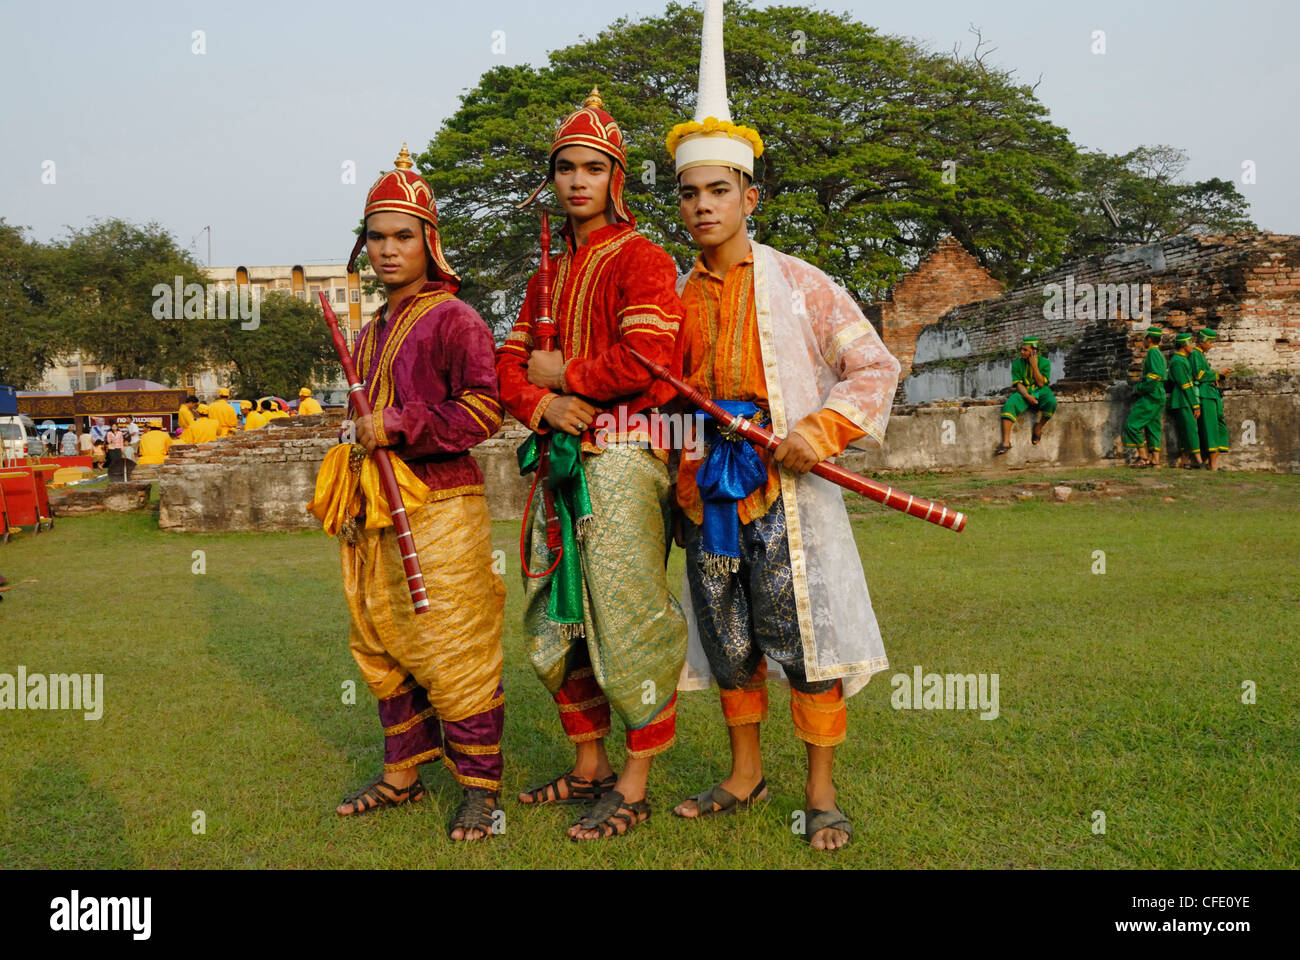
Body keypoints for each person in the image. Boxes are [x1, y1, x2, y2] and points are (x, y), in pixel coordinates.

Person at [665, 0, 899, 852]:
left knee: (807, 642)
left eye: (717, 190)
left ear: (748, 195)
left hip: (786, 487)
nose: (701, 205)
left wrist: (820, 431)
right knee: (727, 640)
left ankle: (822, 791)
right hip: (703, 491)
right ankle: (742, 772)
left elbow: (874, 365)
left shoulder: (803, 283)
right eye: (688, 193)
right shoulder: (669, 295)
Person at [495, 88, 687, 840]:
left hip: (623, 460)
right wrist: (542, 408)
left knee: (626, 614)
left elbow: (651, 358)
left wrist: (564, 377)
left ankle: (633, 785)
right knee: (553, 618)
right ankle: (589, 766)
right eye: (566, 169)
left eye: (592, 169)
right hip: (556, 466)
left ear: (617, 179)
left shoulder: (641, 258)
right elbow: (508, 367)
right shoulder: (546, 276)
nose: (578, 181)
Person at [307, 144, 507, 842]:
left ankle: (480, 790)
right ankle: (402, 776)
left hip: (442, 508)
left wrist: (399, 424)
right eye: (377, 237)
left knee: (451, 645)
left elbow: (486, 410)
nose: (388, 250)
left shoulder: (455, 320)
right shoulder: (368, 332)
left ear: (430, 242)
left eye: (403, 236)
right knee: (380, 641)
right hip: (374, 513)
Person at [995, 336, 1057, 455]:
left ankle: (1038, 428)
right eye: (1021, 349)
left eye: (1025, 350)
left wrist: (1034, 365)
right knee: (1009, 405)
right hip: (1024, 391)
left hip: (1041, 390)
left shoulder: (1045, 362)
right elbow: (1018, 384)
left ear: (1034, 351)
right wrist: (1027, 396)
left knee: (1051, 402)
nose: (1021, 352)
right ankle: (1006, 442)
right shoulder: (1017, 363)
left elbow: (1040, 383)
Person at [1122, 326, 1167, 468]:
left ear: (1148, 339)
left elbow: (1153, 377)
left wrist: (1139, 389)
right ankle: (1155, 460)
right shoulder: (1159, 354)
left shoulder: (1153, 353)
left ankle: (1143, 457)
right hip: (1158, 394)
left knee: (1132, 425)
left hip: (1151, 394)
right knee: (1153, 426)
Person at [1193, 328, 1229, 471]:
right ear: (1203, 341)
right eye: (1210, 343)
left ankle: (1212, 461)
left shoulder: (1200, 355)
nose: (1211, 346)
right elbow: (1199, 375)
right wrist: (1217, 373)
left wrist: (1217, 377)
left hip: (1212, 394)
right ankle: (1213, 465)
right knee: (1210, 429)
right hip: (1205, 395)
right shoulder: (1195, 354)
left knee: (1220, 427)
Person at [1167, 331, 1203, 469]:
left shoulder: (1183, 359)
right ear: (1184, 345)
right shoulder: (1178, 361)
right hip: (1183, 399)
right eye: (1190, 343)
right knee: (1191, 429)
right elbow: (1186, 385)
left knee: (1186, 430)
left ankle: (1186, 461)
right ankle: (1199, 461)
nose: (1193, 346)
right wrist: (1195, 405)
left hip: (1185, 398)